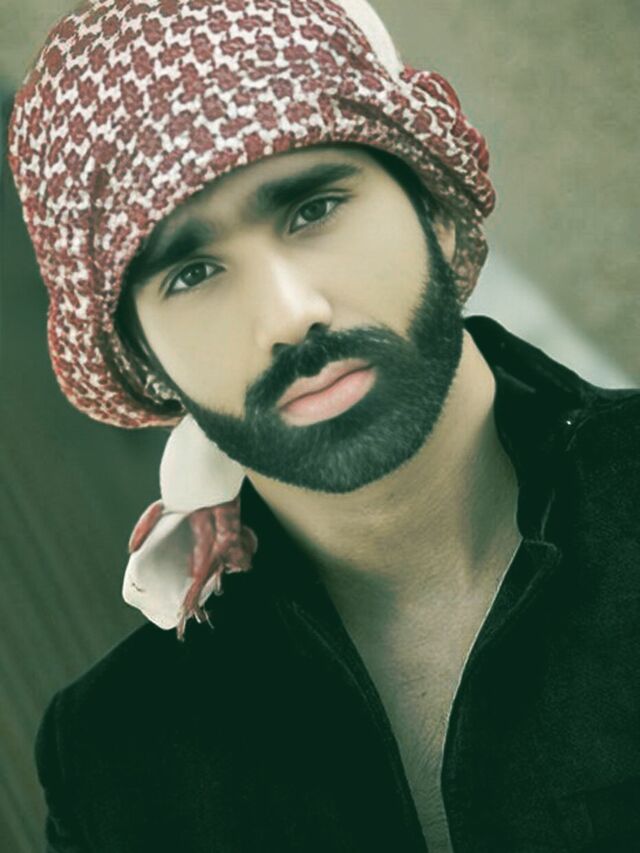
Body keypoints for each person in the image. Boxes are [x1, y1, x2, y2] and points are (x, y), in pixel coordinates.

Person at [8, 1, 639, 851]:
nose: (289, 313)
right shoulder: (112, 762)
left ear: (433, 203)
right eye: (192, 272)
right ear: (144, 360)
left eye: (313, 209)